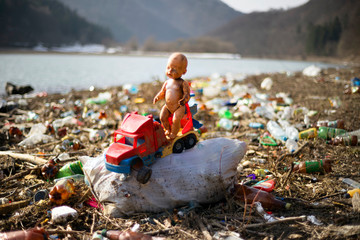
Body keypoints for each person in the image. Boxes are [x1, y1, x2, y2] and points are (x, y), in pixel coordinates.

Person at [153, 52, 191, 139]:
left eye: (174, 69)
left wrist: (184, 100)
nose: (170, 71)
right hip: (168, 106)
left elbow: (187, 94)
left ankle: (174, 133)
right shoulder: (167, 82)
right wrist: (157, 97)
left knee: (175, 119)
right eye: (168, 68)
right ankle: (167, 130)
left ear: (184, 71)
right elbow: (162, 92)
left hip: (179, 107)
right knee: (162, 116)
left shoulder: (183, 83)